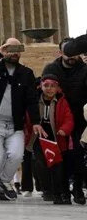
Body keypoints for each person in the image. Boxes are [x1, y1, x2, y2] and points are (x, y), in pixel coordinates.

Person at [0, 38, 43, 202]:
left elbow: (31, 100)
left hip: (15, 125)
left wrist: (35, 121)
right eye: (10, 48)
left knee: (16, 155)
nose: (14, 52)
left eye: (17, 49)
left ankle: (2, 182)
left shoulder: (26, 73)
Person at [44, 40, 87, 203]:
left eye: (76, 53)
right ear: (60, 53)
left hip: (79, 119)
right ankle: (62, 191)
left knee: (77, 154)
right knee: (59, 156)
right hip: (57, 119)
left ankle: (77, 188)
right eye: (68, 52)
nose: (72, 56)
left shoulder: (84, 69)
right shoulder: (51, 69)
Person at [24, 73, 74, 204]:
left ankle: (58, 192)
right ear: (40, 86)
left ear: (58, 88)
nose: (49, 89)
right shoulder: (34, 100)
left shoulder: (62, 101)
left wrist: (64, 129)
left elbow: (69, 119)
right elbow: (27, 118)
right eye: (46, 85)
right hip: (38, 138)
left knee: (57, 166)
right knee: (41, 164)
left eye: (53, 86)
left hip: (56, 138)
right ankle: (47, 190)